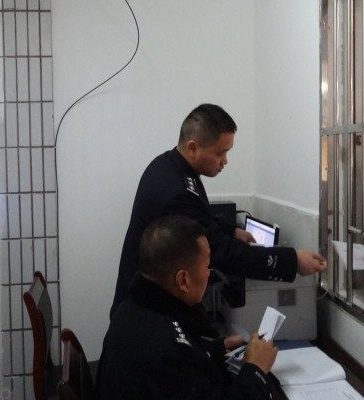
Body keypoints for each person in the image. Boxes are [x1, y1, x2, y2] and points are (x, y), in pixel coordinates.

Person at [111, 104, 326, 316]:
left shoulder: (169, 165)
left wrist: (232, 230)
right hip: (147, 312)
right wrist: (293, 261)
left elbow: (199, 216)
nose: (225, 161)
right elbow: (222, 252)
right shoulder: (176, 190)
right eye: (220, 153)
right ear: (193, 148)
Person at [97, 216, 283, 399]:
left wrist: (217, 348)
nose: (209, 273)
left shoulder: (136, 303)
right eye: (207, 266)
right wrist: (255, 368)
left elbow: (185, 355)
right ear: (183, 280)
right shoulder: (165, 351)